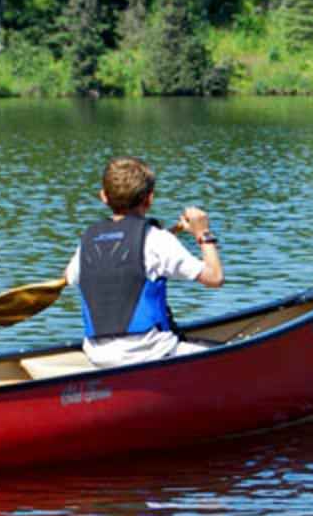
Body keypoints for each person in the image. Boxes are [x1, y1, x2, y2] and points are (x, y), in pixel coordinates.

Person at [64, 155, 222, 368]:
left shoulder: (87, 241)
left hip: (98, 356)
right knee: (232, 353)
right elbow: (214, 278)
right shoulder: (158, 240)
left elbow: (69, 276)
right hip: (149, 352)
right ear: (149, 199)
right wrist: (203, 234)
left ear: (103, 196)